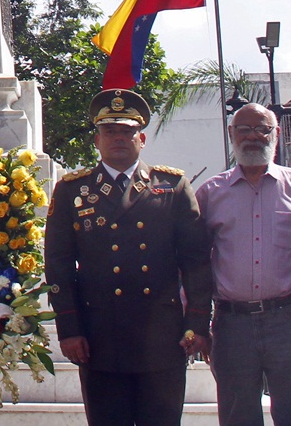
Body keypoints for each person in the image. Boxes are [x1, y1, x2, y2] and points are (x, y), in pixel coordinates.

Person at [45, 88, 213, 426]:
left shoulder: (172, 187)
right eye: (109, 131)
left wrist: (197, 323)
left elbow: (196, 261)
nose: (118, 138)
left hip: (162, 337)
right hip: (100, 337)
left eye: (126, 131)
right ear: (97, 139)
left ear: (142, 138)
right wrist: (69, 327)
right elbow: (59, 267)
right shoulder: (72, 191)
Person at [196, 103, 291, 426]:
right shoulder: (210, 193)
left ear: (276, 135)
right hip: (232, 325)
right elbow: (194, 263)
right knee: (238, 419)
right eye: (244, 130)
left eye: (262, 129)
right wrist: (195, 322)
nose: (253, 137)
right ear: (231, 134)